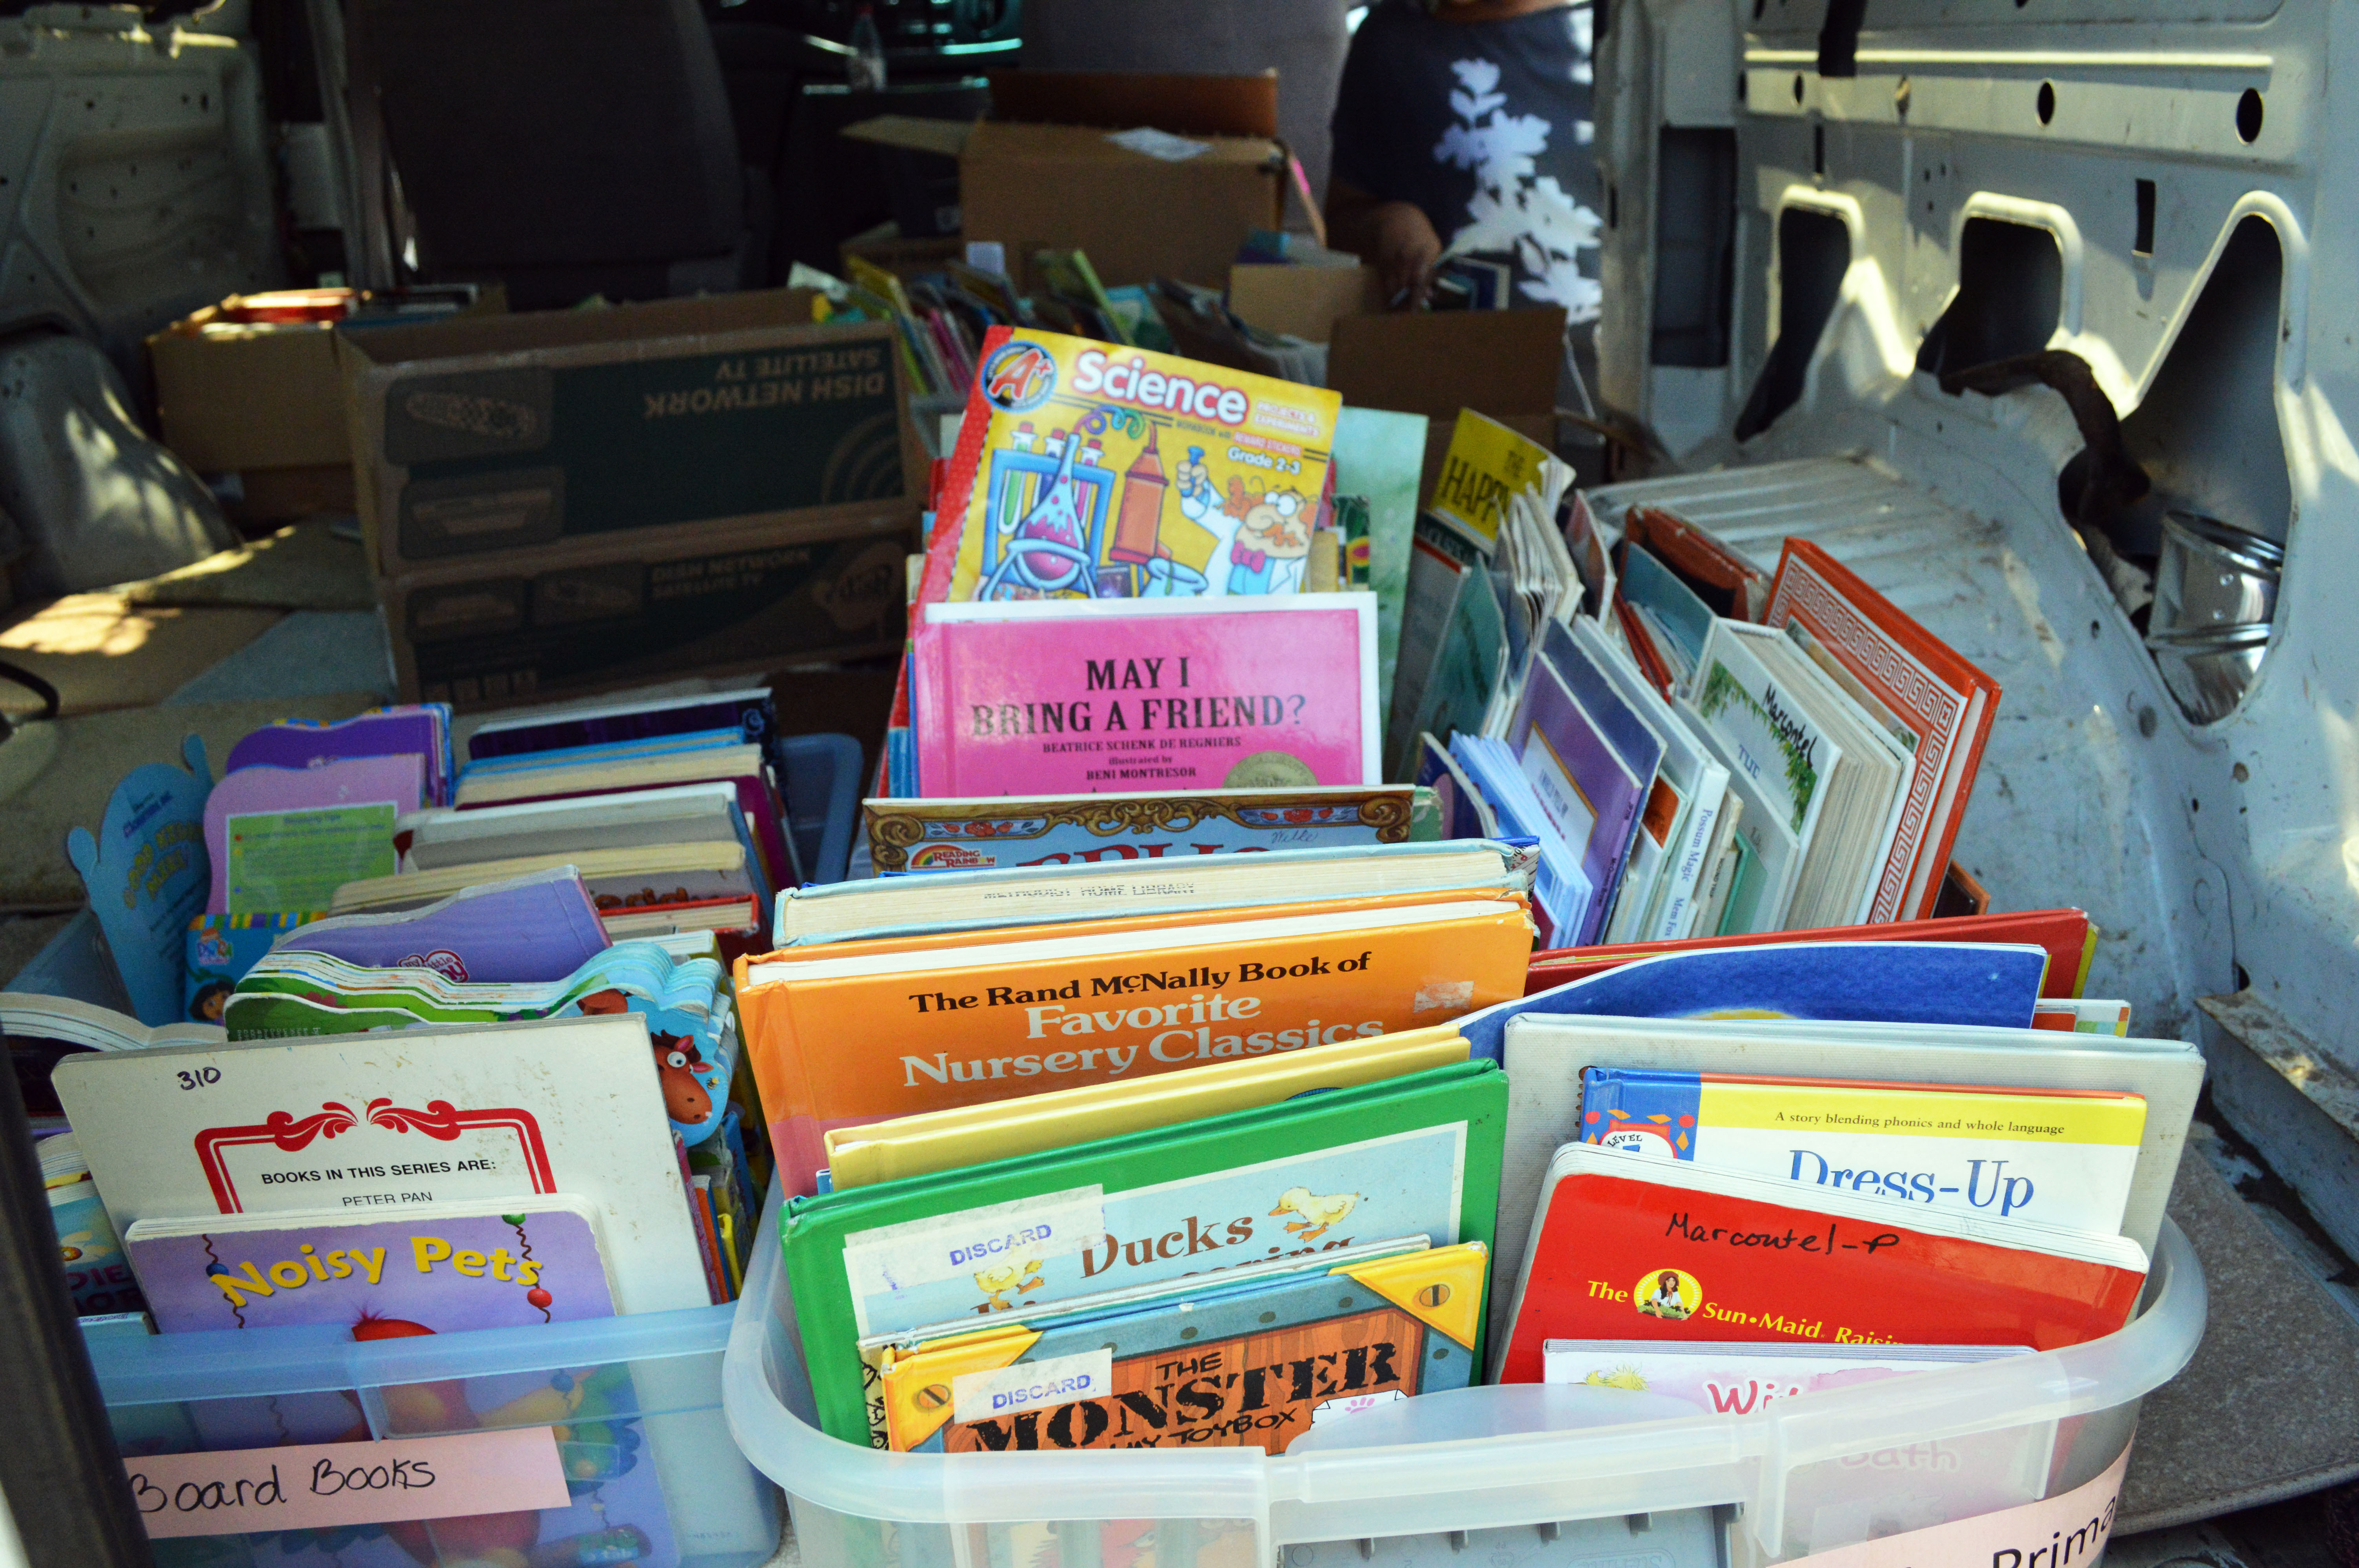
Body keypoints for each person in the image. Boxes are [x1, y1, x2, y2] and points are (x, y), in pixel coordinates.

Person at [1326, 0, 1601, 318]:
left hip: (1620, 359)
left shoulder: (1635, 34)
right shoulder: (1390, 44)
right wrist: (1390, 223)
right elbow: (1341, 223)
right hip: (1458, 359)